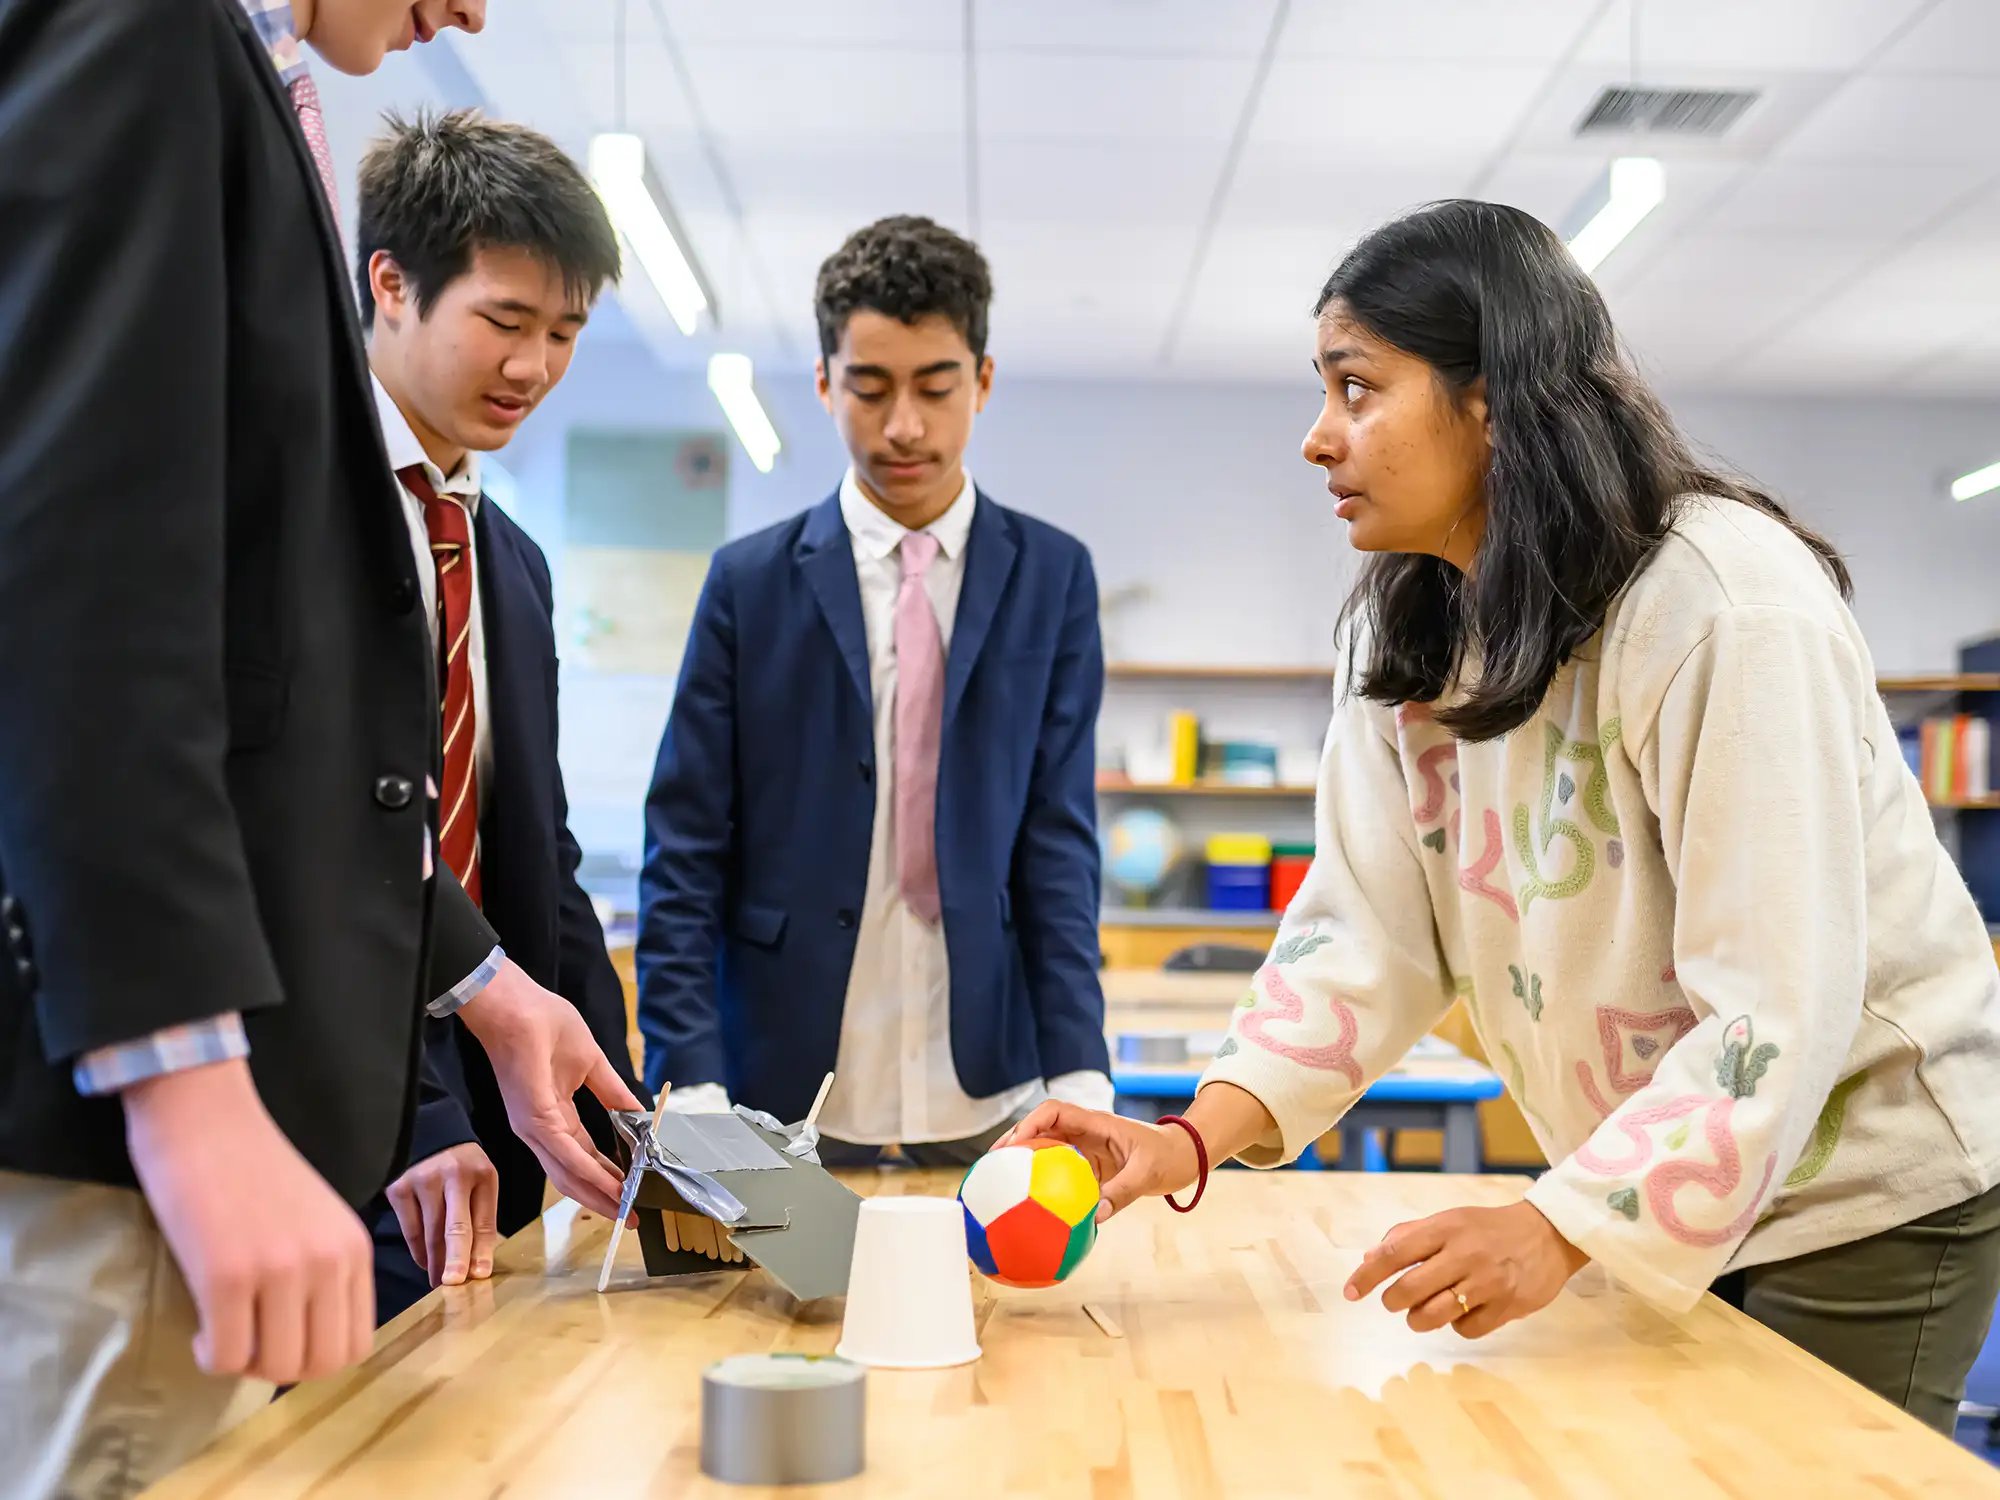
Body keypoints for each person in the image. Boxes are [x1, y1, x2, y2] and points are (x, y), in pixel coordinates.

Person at [1005, 199, 2000, 1435]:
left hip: (1856, 1191)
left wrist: (1559, 1223)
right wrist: (1191, 1141)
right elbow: (1365, 930)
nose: (1316, 439)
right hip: (1661, 1178)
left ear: (1490, 401)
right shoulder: (1407, 621)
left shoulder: (1719, 604)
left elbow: (1775, 1003)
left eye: (1355, 388)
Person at [0, 4, 639, 1495]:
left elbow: (289, 743)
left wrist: (485, 985)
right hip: (127, 1128)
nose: (475, 12)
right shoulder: (141, 34)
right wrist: (192, 1098)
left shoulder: (247, 82)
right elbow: (78, 587)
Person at [638, 215, 1112, 1166]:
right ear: (823, 384)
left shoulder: (1055, 577)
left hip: (989, 1076)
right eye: (869, 387)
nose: (904, 425)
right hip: (785, 1081)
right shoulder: (749, 583)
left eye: (936, 388)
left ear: (981, 380)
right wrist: (687, 1071)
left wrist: (1079, 1067)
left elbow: (1057, 838)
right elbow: (685, 845)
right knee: (758, 1320)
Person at [354, 109, 641, 1317]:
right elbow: (329, 832)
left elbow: (541, 855)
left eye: (565, 332)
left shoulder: (507, 560)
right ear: (392, 285)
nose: (534, 367)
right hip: (343, 1105)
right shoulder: (297, 511)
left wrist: (629, 1107)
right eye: (506, 322)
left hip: (497, 1114)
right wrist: (409, 1105)